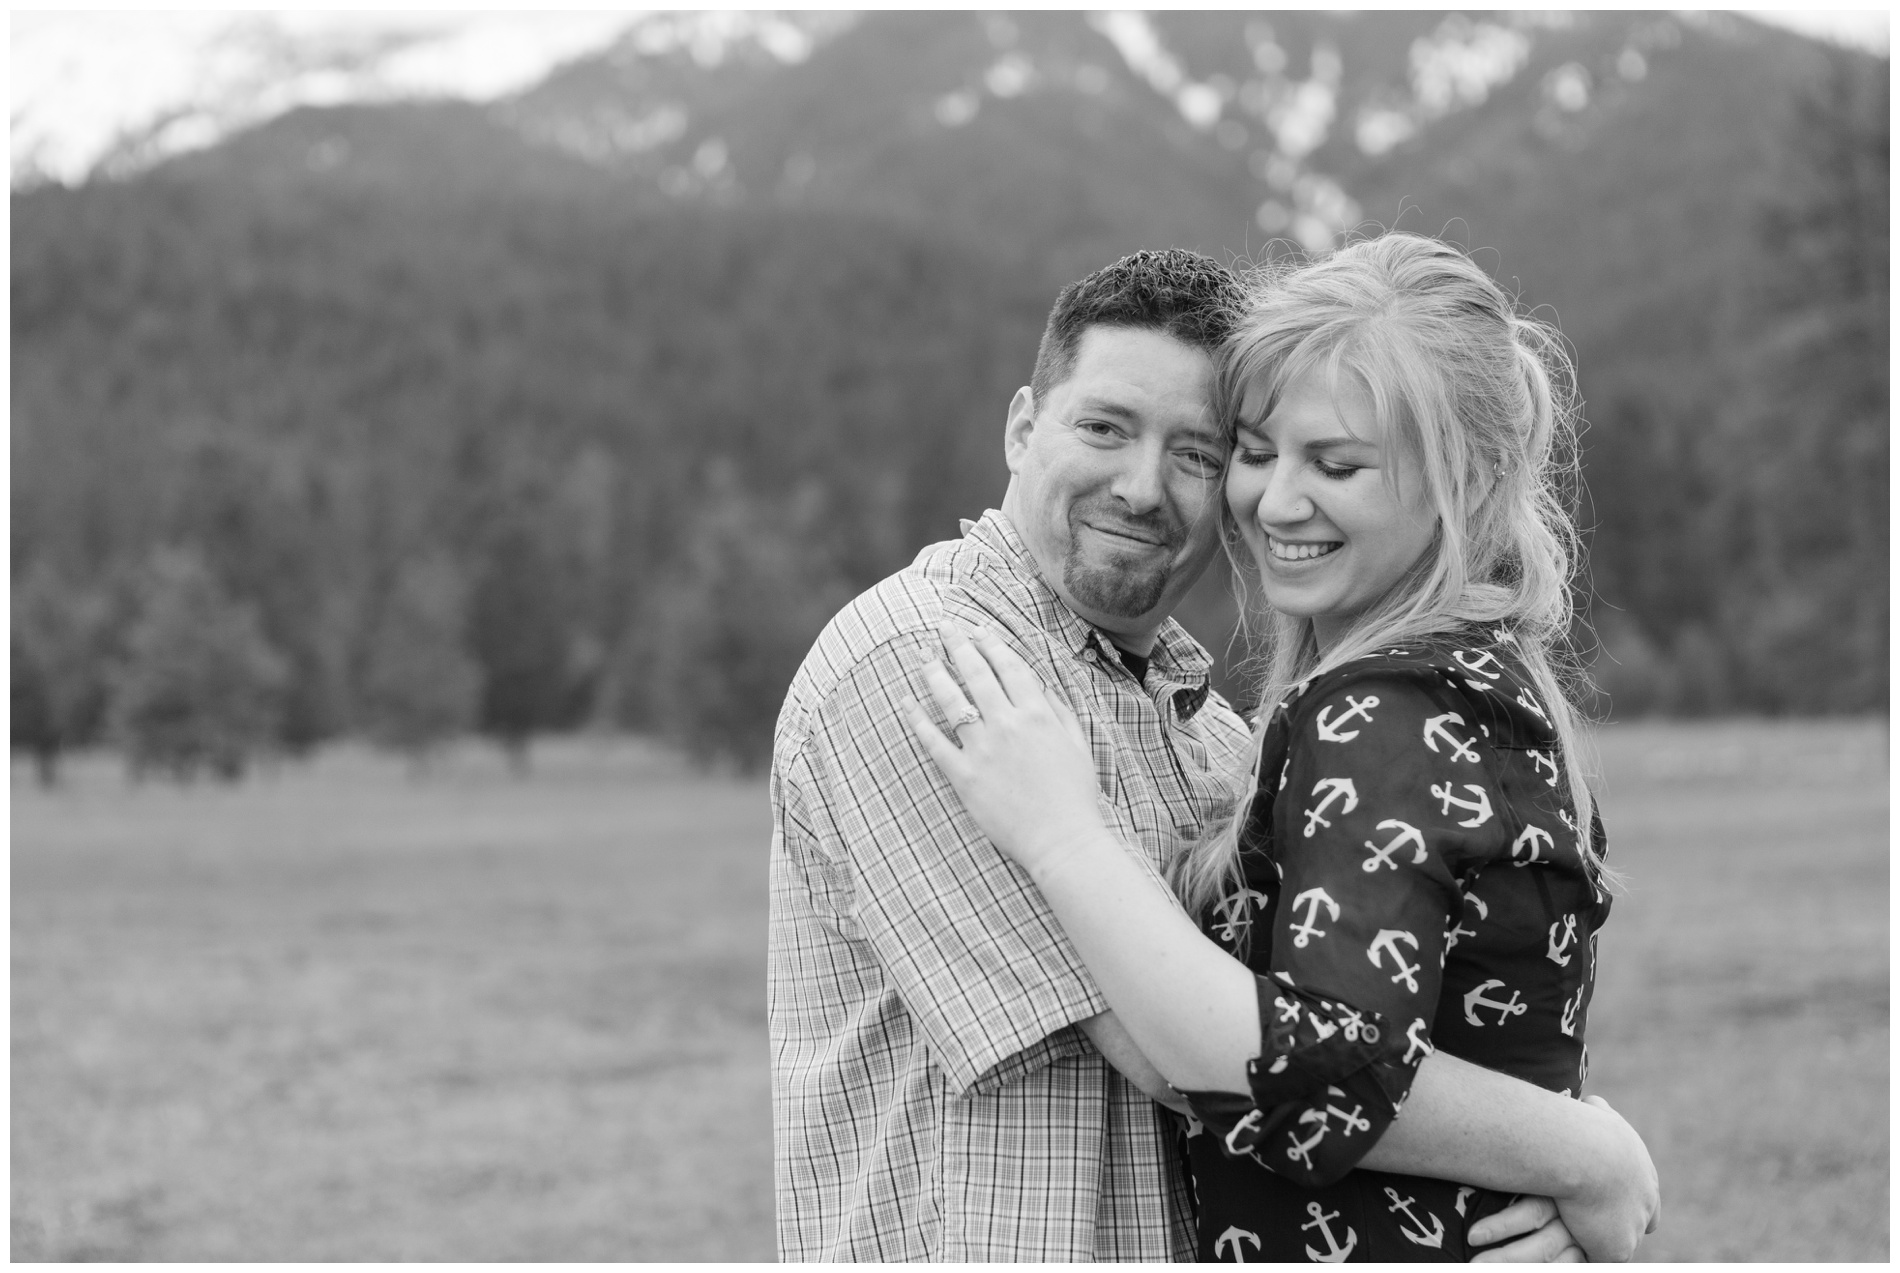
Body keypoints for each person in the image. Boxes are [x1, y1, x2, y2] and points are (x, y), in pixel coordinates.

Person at [771, 246, 1656, 1261]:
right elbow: (1178, 1050)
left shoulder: (1225, 728)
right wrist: (1576, 1151)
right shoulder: (933, 669)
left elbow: (1376, 1026)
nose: (1142, 488)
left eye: (1196, 450)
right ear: (1023, 426)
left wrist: (1554, 1154)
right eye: (1103, 427)